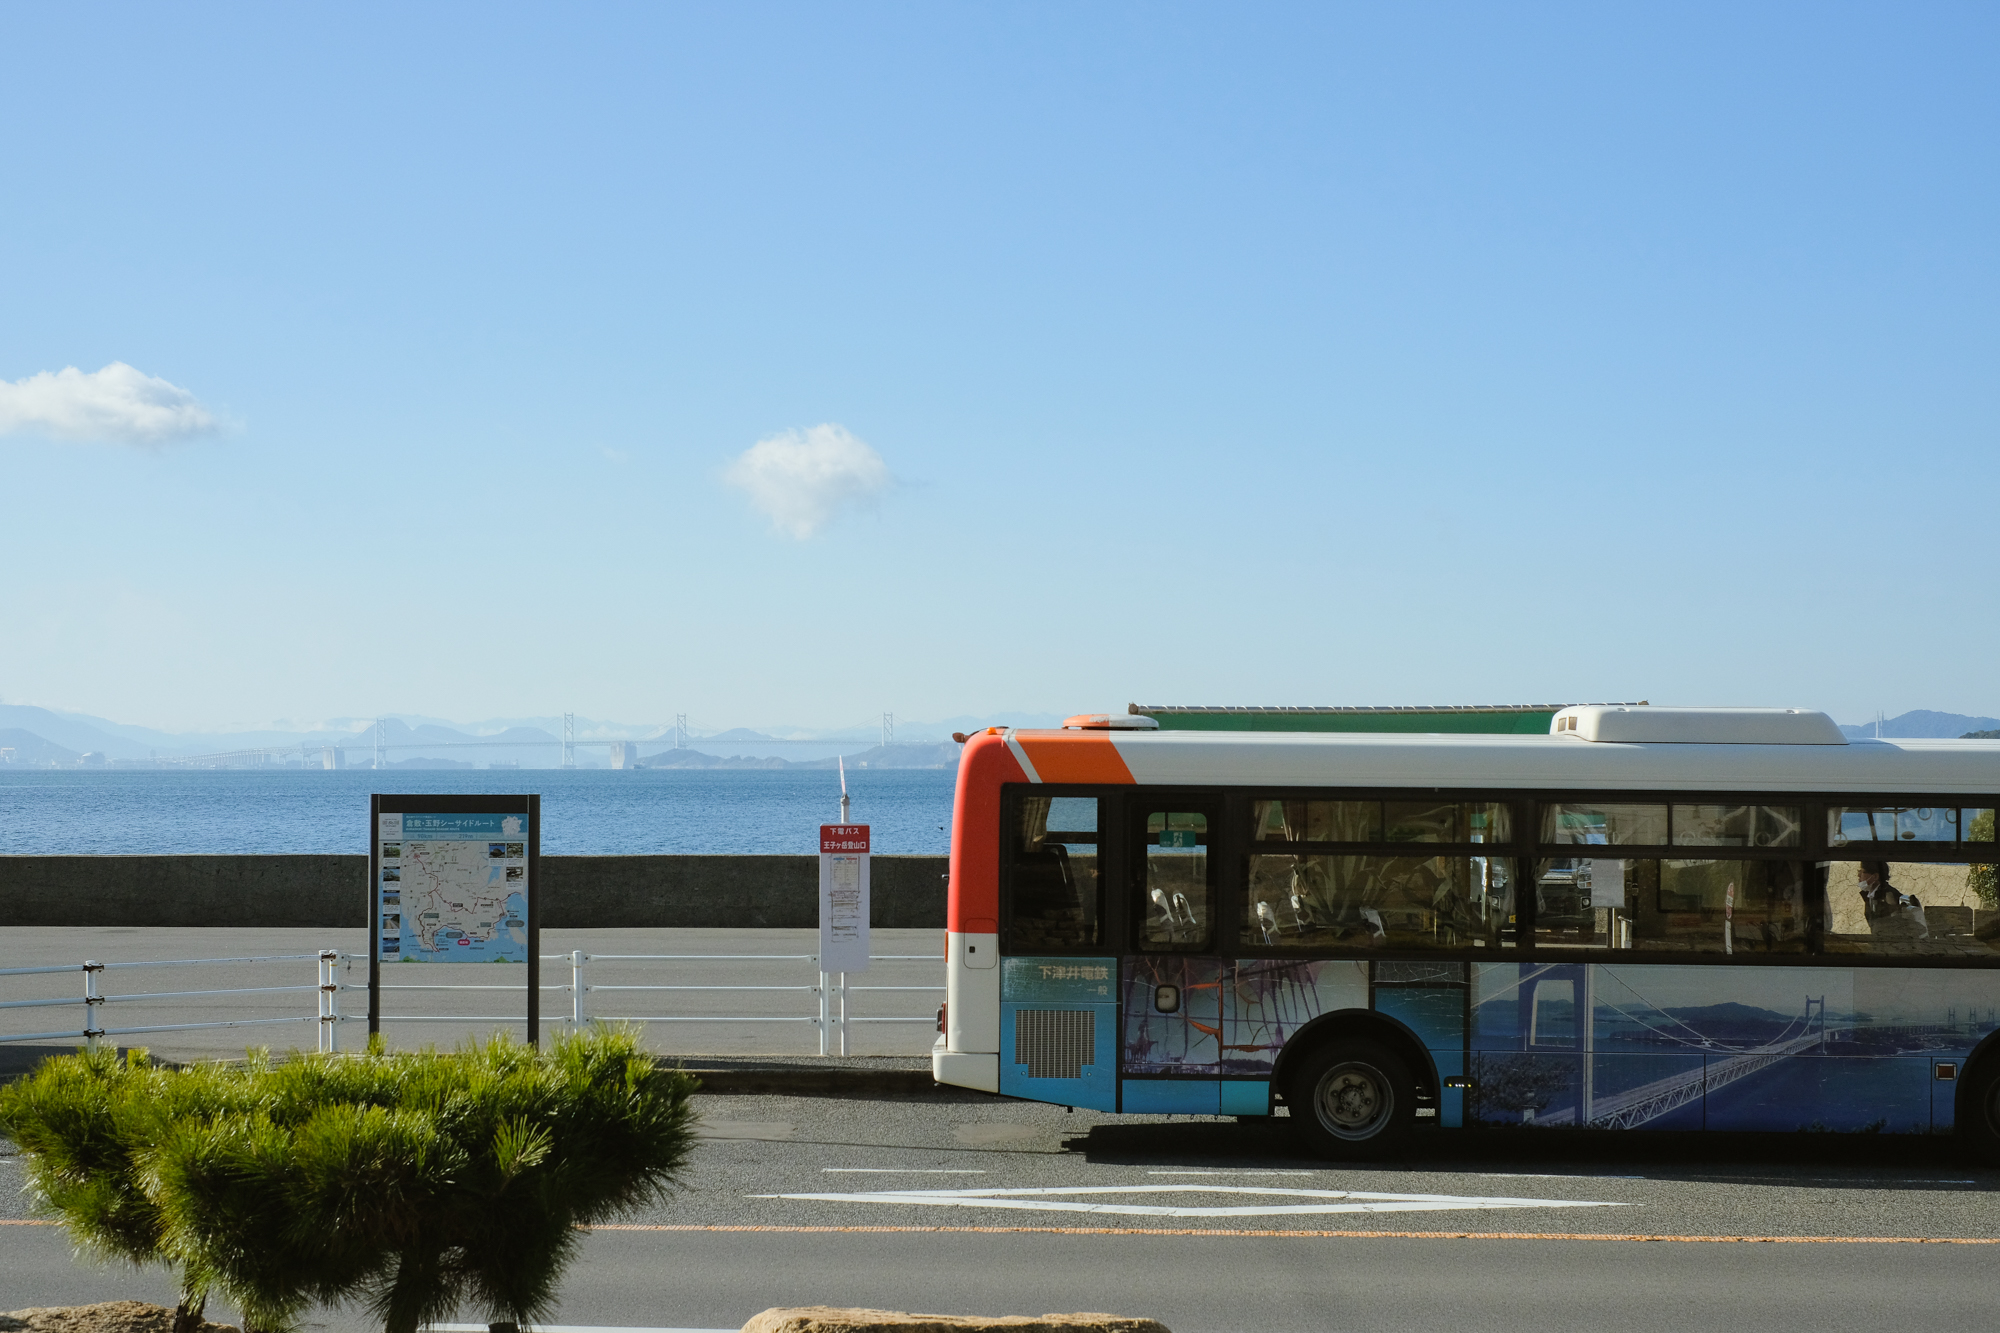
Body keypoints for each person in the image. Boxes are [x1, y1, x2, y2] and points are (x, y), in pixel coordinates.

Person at [1859, 861, 1929, 941]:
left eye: (1862, 872)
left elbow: (1894, 927)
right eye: (1859, 872)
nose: (1859, 875)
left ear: (1875, 876)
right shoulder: (1871, 896)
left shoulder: (1889, 896)